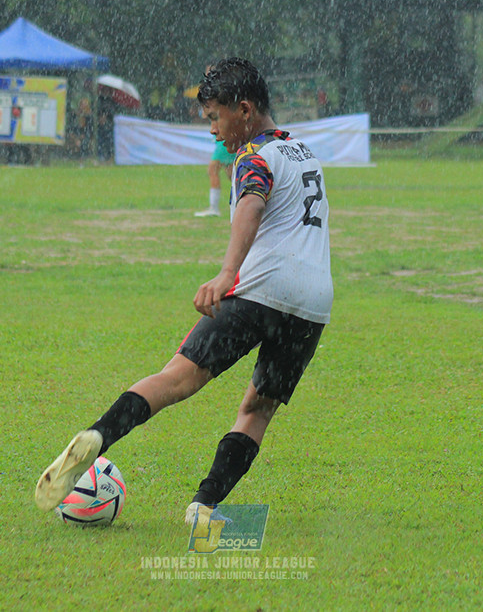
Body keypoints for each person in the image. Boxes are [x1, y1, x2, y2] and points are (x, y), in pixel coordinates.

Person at [34, 57, 332, 523]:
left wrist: (225, 273)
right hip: (313, 304)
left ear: (245, 110)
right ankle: (204, 506)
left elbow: (252, 206)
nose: (213, 130)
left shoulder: (253, 157)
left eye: (216, 117)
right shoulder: (303, 152)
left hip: (259, 291)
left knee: (178, 379)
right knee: (258, 408)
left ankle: (98, 436)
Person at [193, 138, 234, 217]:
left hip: (224, 142)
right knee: (232, 175)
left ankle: (214, 208)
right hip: (228, 141)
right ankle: (248, 199)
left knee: (213, 170)